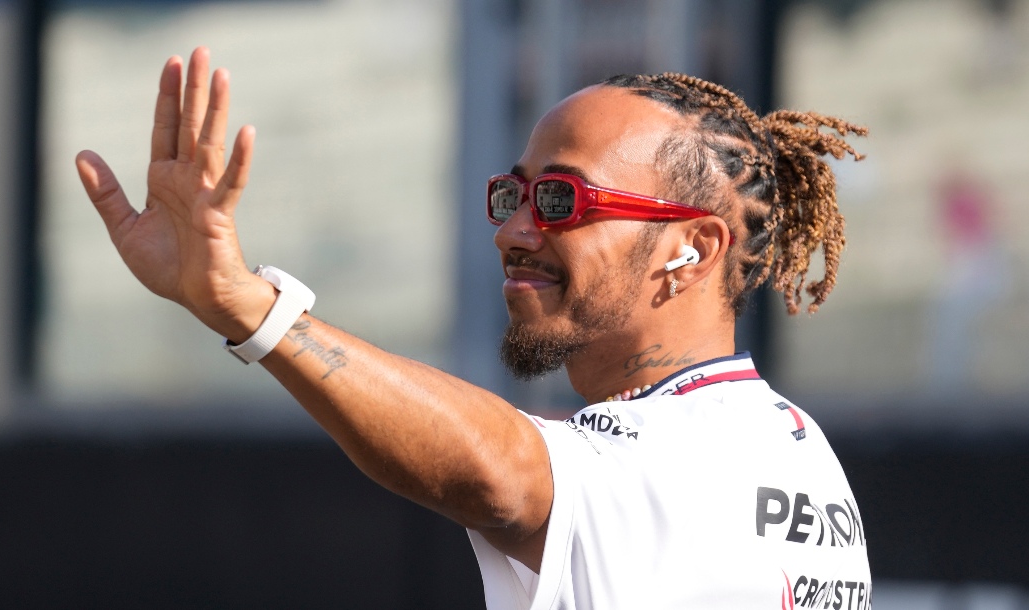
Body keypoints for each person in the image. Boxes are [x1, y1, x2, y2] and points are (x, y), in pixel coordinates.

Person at [76, 47, 871, 609]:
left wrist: (251, 307)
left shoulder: (691, 451)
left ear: (691, 248)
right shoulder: (792, 447)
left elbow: (502, 472)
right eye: (512, 195)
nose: (514, 231)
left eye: (561, 200)